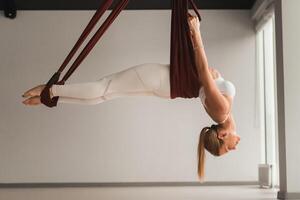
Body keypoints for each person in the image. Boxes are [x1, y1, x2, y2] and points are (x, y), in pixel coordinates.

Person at [22, 14, 240, 181]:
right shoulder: (223, 113)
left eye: (229, 148)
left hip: (162, 81)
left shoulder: (222, 112)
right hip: (166, 87)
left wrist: (196, 32)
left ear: (221, 135)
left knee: (104, 87)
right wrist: (213, 75)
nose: (235, 147)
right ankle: (47, 97)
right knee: (103, 95)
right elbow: (203, 78)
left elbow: (202, 73)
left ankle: (50, 91)